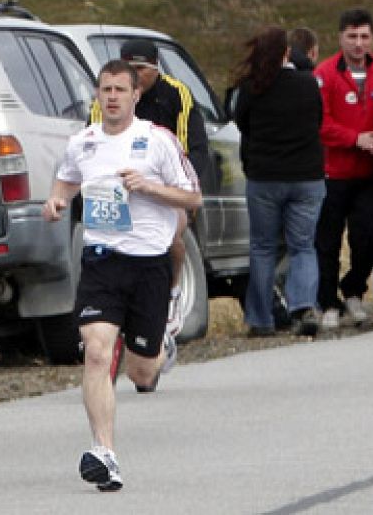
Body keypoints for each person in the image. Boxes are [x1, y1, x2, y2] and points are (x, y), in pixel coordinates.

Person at [44, 61, 202, 492]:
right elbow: (64, 184)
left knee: (142, 372)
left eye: (119, 90)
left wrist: (149, 187)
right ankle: (104, 453)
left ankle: (161, 337)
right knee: (96, 352)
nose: (111, 97)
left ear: (136, 96)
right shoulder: (83, 144)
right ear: (97, 94)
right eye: (104, 89)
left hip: (149, 264)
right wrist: (56, 203)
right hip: (101, 261)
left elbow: (193, 196)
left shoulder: (157, 141)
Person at [108, 38, 211, 336]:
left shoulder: (177, 94)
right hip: (124, 185)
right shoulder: (113, 97)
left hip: (168, 185)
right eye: (129, 68)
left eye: (141, 69)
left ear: (155, 68)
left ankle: (173, 293)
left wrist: (183, 192)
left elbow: (193, 148)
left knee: (170, 237)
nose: (135, 75)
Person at [232, 27, 326, 337]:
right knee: (303, 246)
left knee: (263, 248)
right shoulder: (307, 83)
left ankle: (261, 318)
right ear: (287, 53)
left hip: (265, 177)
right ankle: (303, 305)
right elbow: (318, 121)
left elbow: (241, 123)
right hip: (306, 176)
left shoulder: (251, 87)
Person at [315, 8, 373, 330]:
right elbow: (320, 123)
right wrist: (355, 138)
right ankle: (327, 300)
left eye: (364, 37)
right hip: (334, 171)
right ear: (340, 38)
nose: (358, 44)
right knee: (328, 241)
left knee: (369, 237)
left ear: (372, 38)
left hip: (370, 172)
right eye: (352, 37)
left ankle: (354, 289)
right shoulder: (325, 74)